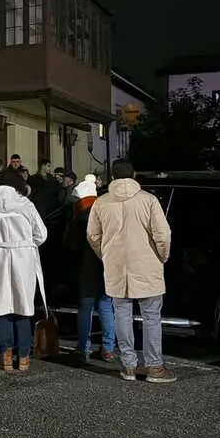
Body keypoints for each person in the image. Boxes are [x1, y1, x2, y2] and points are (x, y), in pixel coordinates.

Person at [87, 159, 174, 383]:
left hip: (116, 266)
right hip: (147, 264)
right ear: (134, 175)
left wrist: (105, 255)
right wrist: (162, 256)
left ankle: (128, 366)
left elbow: (93, 236)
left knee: (121, 315)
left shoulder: (101, 203)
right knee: (151, 316)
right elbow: (163, 234)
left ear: (112, 177)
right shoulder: (148, 200)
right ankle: (154, 366)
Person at [0, 168, 48, 372]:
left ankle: (6, 356)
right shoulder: (25, 203)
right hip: (23, 256)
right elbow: (41, 234)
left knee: (0, 305)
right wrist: (26, 242)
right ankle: (24, 357)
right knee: (23, 305)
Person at [68, 175, 116, 363]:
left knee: (86, 306)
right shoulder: (106, 212)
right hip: (106, 265)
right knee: (106, 305)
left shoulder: (79, 218)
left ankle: (83, 347)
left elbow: (71, 246)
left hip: (87, 267)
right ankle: (108, 348)